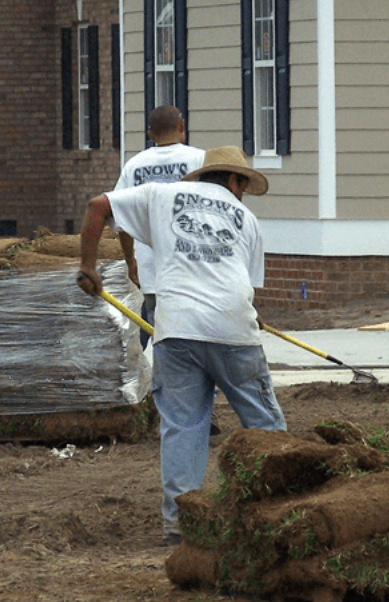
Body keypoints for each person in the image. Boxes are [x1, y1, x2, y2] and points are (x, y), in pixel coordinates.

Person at [75, 146, 288, 546]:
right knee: (266, 428)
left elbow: (96, 206)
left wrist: (88, 267)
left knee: (184, 428)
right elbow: (244, 286)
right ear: (234, 181)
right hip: (232, 331)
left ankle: (179, 525)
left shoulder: (160, 195)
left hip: (175, 330)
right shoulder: (249, 220)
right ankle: (277, 512)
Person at [112, 106, 205, 349]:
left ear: (150, 134)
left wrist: (130, 261)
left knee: (159, 330)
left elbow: (121, 220)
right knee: (193, 332)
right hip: (195, 266)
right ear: (182, 127)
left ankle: (158, 381)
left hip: (152, 269)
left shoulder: (134, 165)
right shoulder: (200, 160)